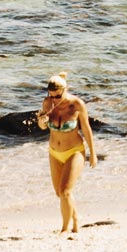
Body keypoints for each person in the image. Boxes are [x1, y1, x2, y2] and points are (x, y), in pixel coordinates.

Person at [37, 72, 97, 234]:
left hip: (74, 151)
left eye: (58, 96)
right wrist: (41, 121)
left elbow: (86, 128)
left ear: (65, 89)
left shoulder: (76, 104)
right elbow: (43, 127)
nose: (54, 100)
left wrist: (93, 153)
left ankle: (65, 228)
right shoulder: (47, 103)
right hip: (54, 152)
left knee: (65, 191)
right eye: (51, 96)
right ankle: (76, 218)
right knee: (59, 193)